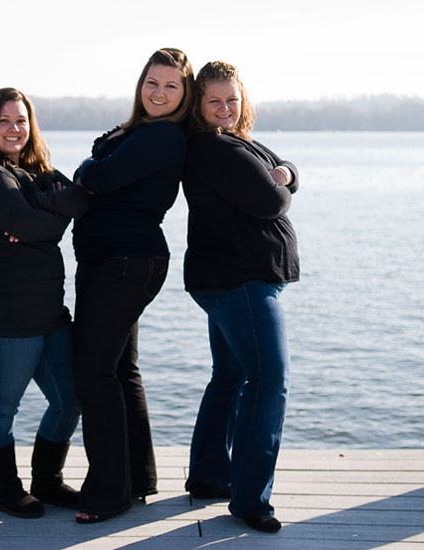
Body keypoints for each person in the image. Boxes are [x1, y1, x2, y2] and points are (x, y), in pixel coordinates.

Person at [71, 48, 195, 523]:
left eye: (171, 86)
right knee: (121, 369)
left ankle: (108, 492)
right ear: (140, 84)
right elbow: (103, 166)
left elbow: (99, 174)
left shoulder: (162, 136)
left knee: (93, 373)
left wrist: (89, 167)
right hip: (121, 260)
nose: (159, 93)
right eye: (152, 83)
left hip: (123, 263)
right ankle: (137, 478)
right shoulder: (143, 131)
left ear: (184, 95)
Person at [182, 61, 300, 533]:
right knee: (270, 380)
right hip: (241, 280)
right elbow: (272, 201)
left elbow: (285, 169)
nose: (225, 107)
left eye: (232, 98)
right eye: (214, 101)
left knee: (230, 376)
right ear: (199, 104)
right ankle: (251, 500)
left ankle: (211, 475)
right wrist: (281, 182)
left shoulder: (236, 142)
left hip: (232, 278)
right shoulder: (214, 148)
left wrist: (284, 172)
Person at [0, 88, 87, 519]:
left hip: (50, 311)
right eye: (3, 121)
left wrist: (42, 210)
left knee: (70, 398)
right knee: (2, 405)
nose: (14, 129)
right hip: (5, 313)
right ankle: (6, 490)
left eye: (20, 120)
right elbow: (30, 224)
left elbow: (79, 199)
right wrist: (45, 217)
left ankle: (47, 482)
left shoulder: (36, 171)